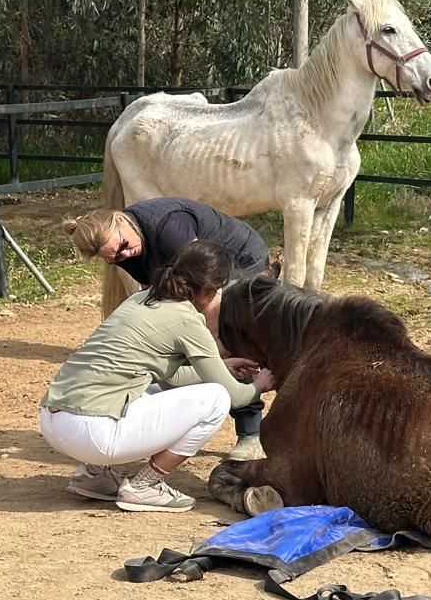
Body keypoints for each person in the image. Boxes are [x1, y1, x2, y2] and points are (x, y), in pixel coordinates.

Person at [38, 240, 277, 512]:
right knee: (217, 399)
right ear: (210, 290)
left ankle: (94, 476)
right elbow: (234, 397)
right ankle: (145, 486)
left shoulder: (142, 298)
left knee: (145, 388)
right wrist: (258, 385)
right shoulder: (187, 319)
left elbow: (170, 380)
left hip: (53, 420)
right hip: (92, 433)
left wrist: (222, 367)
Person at [64, 197, 273, 461]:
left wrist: (216, 343)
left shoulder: (170, 229)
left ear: (120, 218)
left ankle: (250, 434)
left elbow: (208, 288)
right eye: (115, 258)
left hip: (239, 261)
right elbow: (157, 292)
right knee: (186, 343)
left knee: (229, 337)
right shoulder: (126, 246)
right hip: (203, 278)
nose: (124, 256)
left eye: (123, 248)